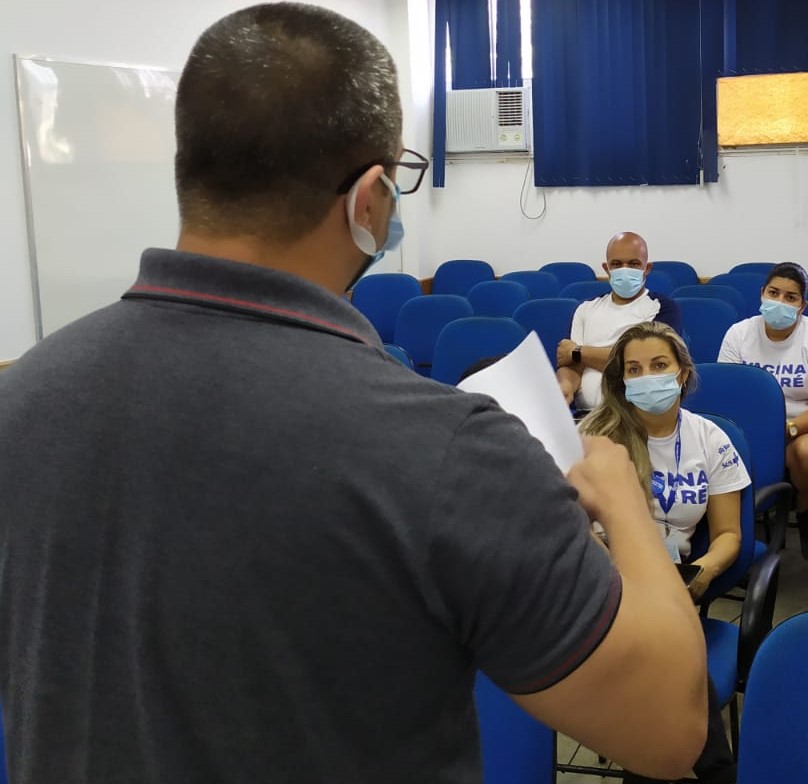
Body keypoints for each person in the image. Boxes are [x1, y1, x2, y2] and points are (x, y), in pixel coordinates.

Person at [0, 6, 708, 784]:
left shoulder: (22, 400)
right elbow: (667, 730)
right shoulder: (448, 451)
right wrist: (624, 503)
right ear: (369, 199)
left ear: (189, 170)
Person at [580, 322, 749, 784]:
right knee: (666, 653)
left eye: (658, 365)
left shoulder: (710, 438)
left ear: (682, 373)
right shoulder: (594, 437)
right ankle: (716, 770)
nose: (646, 377)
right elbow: (574, 528)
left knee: (658, 653)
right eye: (634, 370)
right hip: (603, 580)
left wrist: (702, 572)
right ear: (621, 380)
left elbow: (729, 535)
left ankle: (657, 767)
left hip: (676, 582)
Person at [717, 262, 808, 561]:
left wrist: (787, 430)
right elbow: (730, 395)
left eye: (790, 297)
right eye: (773, 293)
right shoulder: (739, 333)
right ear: (762, 293)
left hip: (804, 427)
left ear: (802, 305)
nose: (780, 302)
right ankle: (730, 532)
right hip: (750, 428)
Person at [556, 231, 683, 410]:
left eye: (633, 264)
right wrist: (566, 386)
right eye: (616, 264)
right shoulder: (586, 309)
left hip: (636, 415)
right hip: (587, 415)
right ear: (606, 268)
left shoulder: (662, 308)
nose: (625, 270)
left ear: (646, 268)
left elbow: (639, 361)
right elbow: (570, 363)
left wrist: (578, 352)